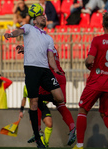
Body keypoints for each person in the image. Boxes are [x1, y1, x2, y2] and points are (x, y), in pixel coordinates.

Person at [4, 9, 64, 148]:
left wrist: (55, 68)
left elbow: (50, 57)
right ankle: (38, 139)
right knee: (34, 104)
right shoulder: (28, 28)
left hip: (45, 70)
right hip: (31, 69)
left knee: (59, 97)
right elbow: (18, 31)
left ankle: (41, 98)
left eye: (44, 16)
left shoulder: (49, 38)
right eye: (41, 16)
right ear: (35, 20)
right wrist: (11, 34)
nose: (44, 17)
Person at [72, 12, 108, 149]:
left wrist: (87, 63)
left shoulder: (97, 40)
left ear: (102, 24)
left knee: (83, 110)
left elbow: (90, 61)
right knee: (106, 113)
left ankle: (79, 145)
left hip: (95, 82)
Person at [17, 45, 77, 146]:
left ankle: (38, 130)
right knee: (60, 104)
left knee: (36, 99)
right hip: (60, 75)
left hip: (48, 76)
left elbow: (36, 53)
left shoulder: (41, 43)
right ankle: (72, 128)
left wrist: (25, 49)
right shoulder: (52, 46)